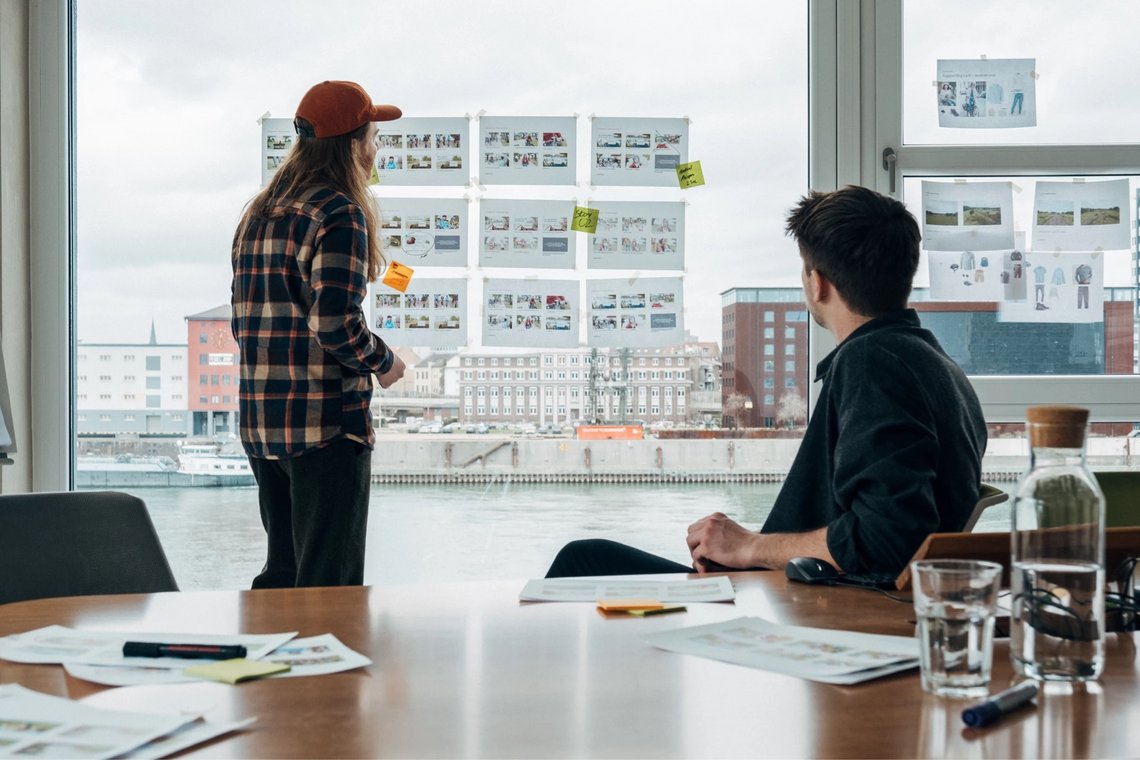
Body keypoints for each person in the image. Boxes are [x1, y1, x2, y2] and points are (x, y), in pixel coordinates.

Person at [546, 185, 987, 579]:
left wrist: (751, 546)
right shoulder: (938, 365)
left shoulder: (871, 362)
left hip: (813, 609)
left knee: (581, 560)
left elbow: (889, 537)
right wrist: (743, 550)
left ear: (817, 284)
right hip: (803, 589)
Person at [231, 80, 407, 589]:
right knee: (330, 589)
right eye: (374, 135)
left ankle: (275, 666)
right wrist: (385, 361)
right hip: (326, 428)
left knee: (282, 577)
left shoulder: (258, 214)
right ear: (353, 144)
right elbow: (335, 322)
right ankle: (327, 670)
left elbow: (246, 323)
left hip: (264, 428)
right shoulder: (340, 213)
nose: (376, 148)